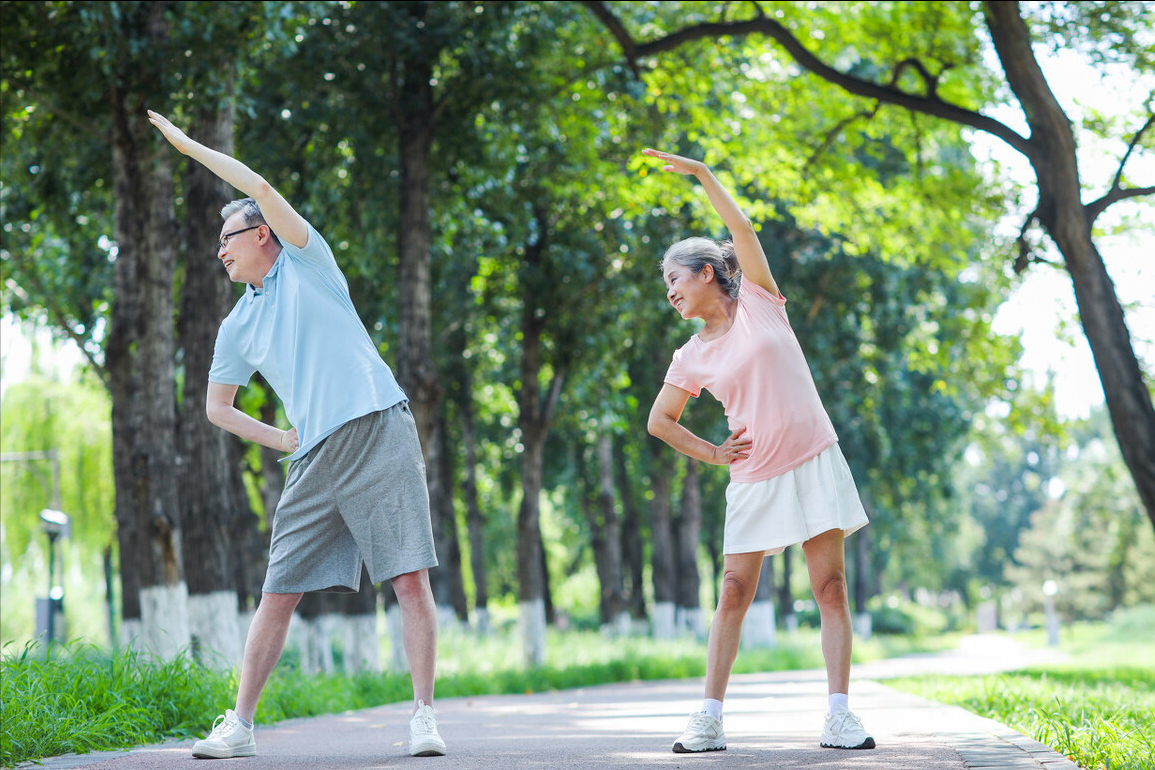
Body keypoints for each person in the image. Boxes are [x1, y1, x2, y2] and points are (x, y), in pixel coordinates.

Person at [147, 110, 446, 759]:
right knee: (277, 591)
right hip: (313, 455)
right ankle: (241, 726)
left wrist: (187, 146)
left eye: (228, 237)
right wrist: (279, 440)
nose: (220, 250)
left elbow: (257, 184)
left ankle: (424, 715)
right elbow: (216, 409)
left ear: (263, 234)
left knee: (408, 579)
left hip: (376, 428)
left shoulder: (310, 264)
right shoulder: (235, 326)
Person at [642, 148, 874, 754]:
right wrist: (715, 454)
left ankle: (839, 716)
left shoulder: (761, 304)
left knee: (830, 588)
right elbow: (660, 421)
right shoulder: (691, 354)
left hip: (814, 460)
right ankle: (709, 719)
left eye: (674, 278)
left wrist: (703, 175)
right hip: (753, 476)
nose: (669, 291)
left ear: (706, 273)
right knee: (733, 592)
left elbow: (741, 230)